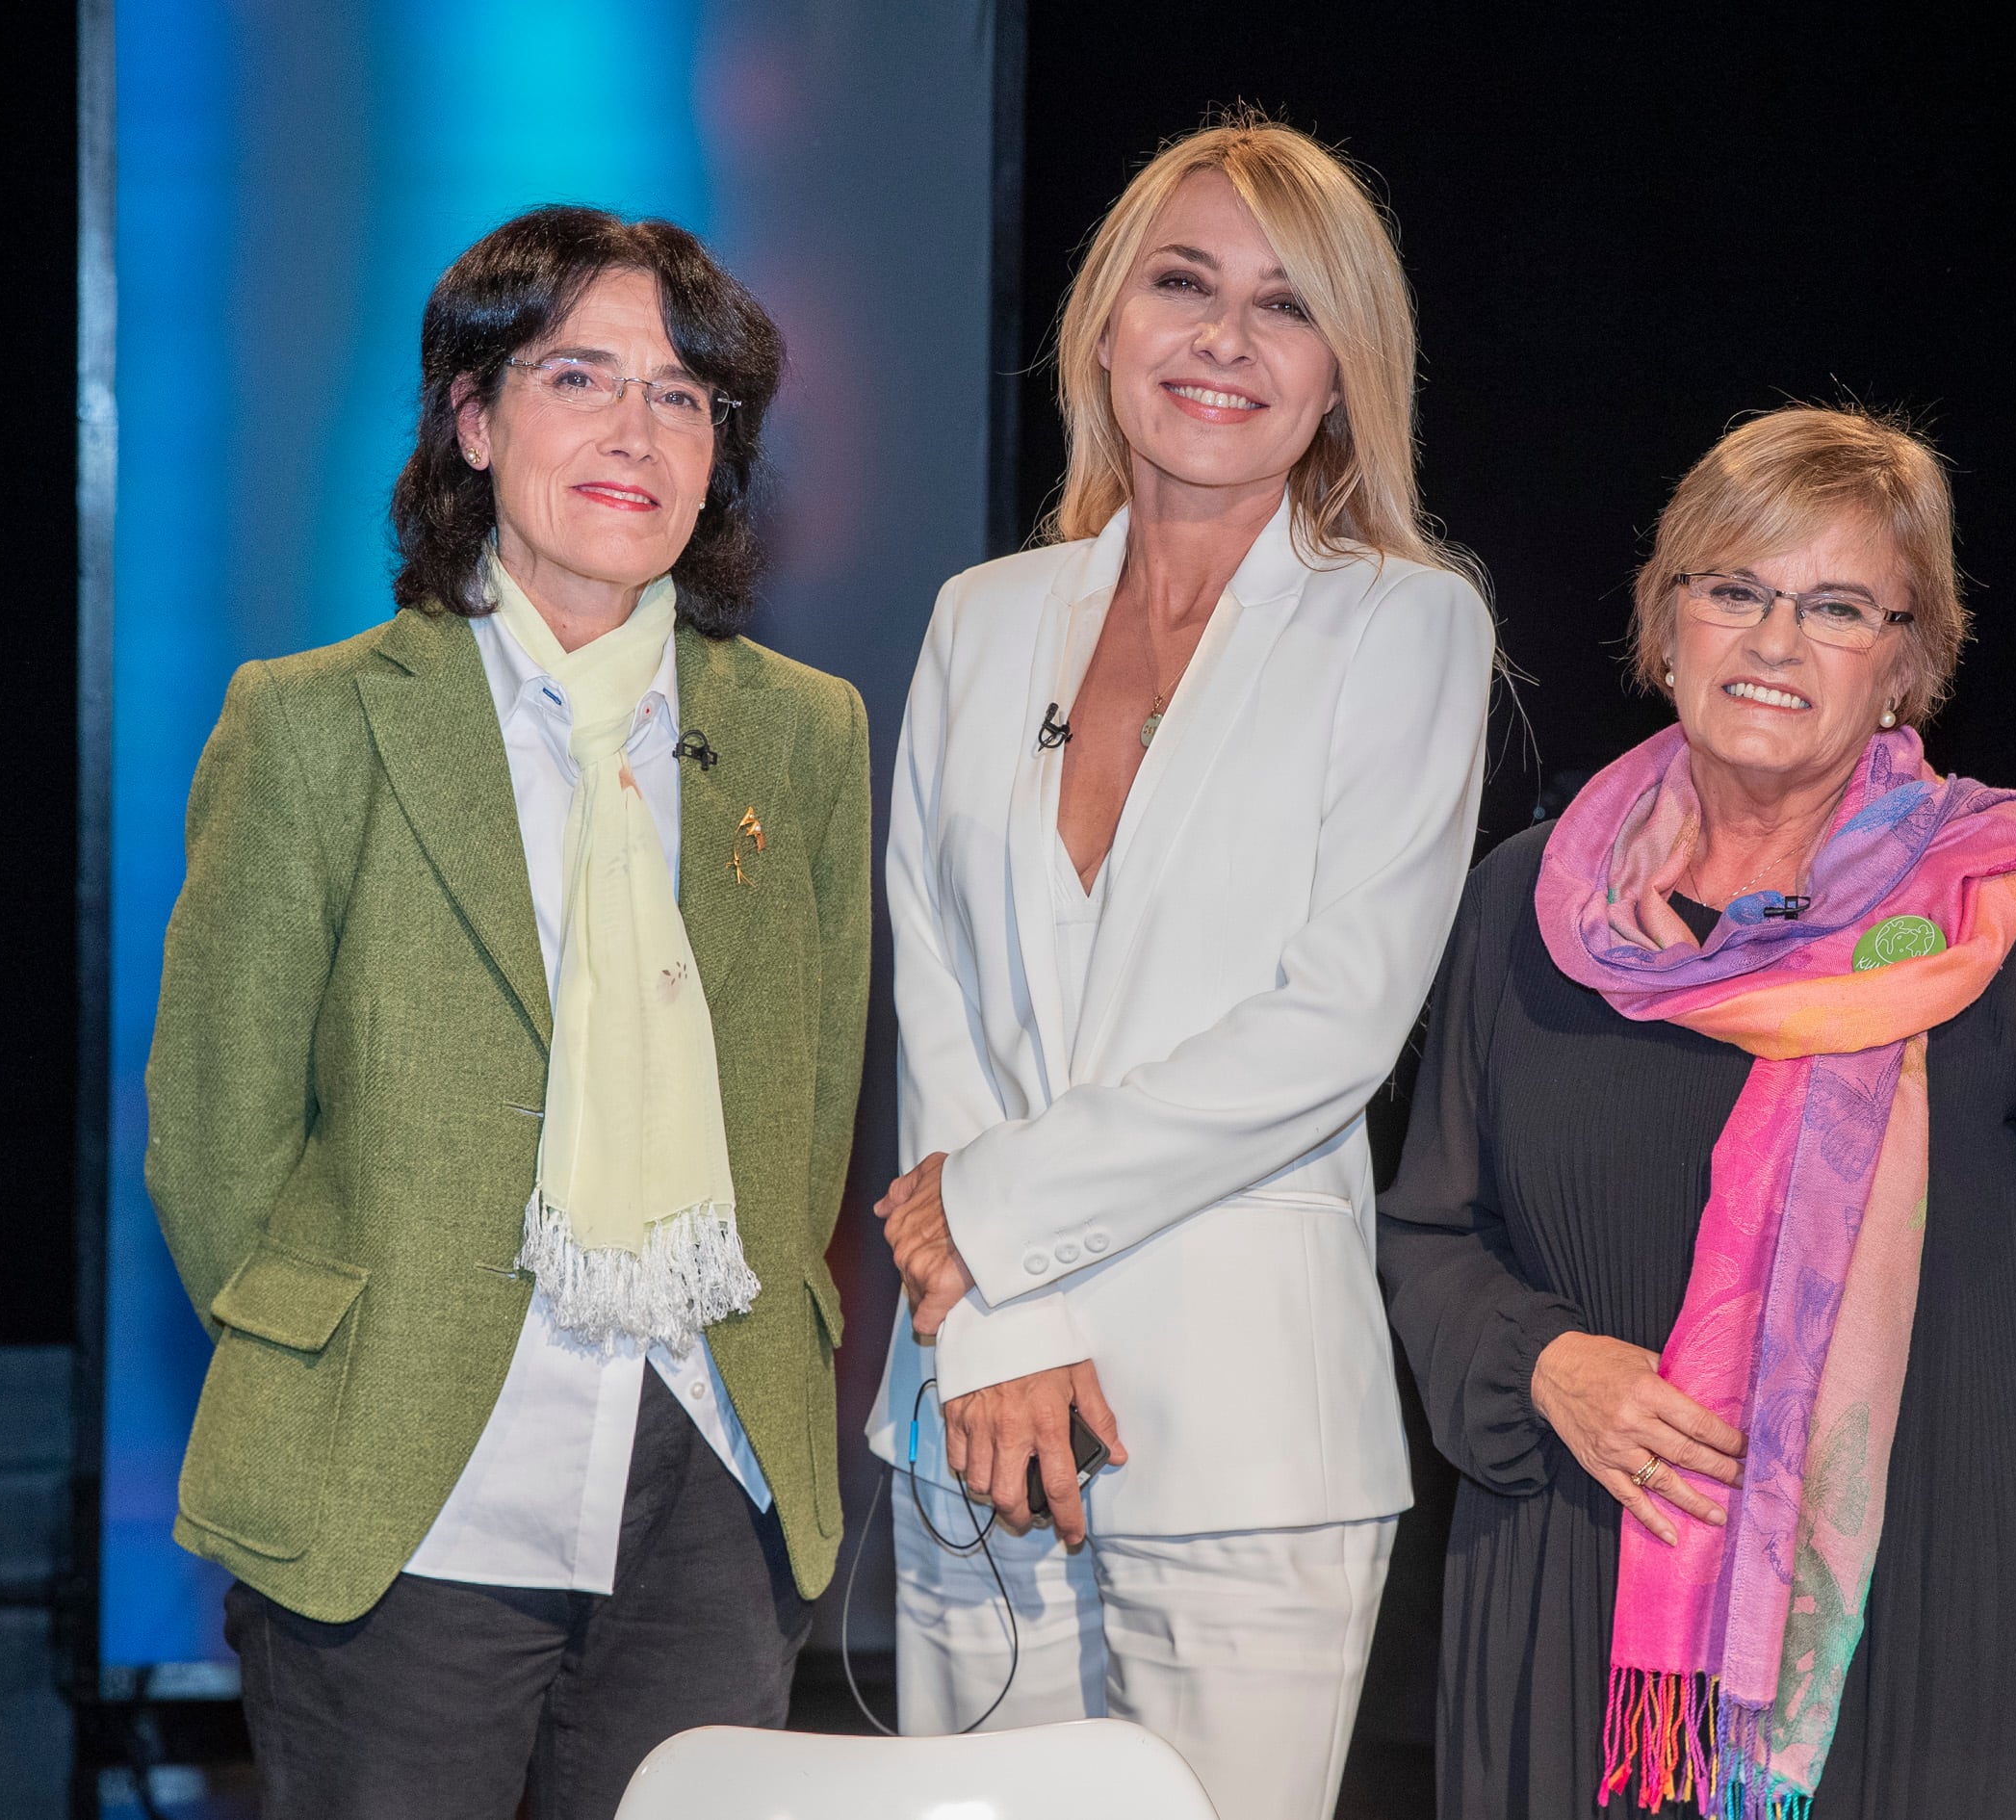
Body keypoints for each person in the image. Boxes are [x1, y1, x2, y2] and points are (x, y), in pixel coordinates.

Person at [1379, 405, 2016, 1818]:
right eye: (1735, 588)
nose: (1775, 643)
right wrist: (1544, 1364)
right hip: (1574, 1571)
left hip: (1900, 1585)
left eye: (1837, 605)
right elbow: (1428, 1229)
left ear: (1908, 664)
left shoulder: (1990, 915)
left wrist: (1917, 1312)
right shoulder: (1527, 905)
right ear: (1665, 627)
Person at [146, 206, 871, 1820]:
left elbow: (809, 1113)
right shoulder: (319, 725)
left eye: (685, 396)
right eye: (580, 377)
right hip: (408, 1481)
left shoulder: (804, 737)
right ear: (473, 423)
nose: (637, 430)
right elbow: (214, 1142)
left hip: (708, 1477)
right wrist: (352, 1348)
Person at [865, 116, 1495, 1820]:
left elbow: (1330, 1029)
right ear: (1104, 327)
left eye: (1286, 307)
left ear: (1344, 376)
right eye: (1185, 282)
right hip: (975, 1407)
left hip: (1246, 1432)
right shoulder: (981, 617)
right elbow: (935, 981)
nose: (1225, 337)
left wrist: (985, 1228)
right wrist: (992, 1315)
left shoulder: (1408, 625)